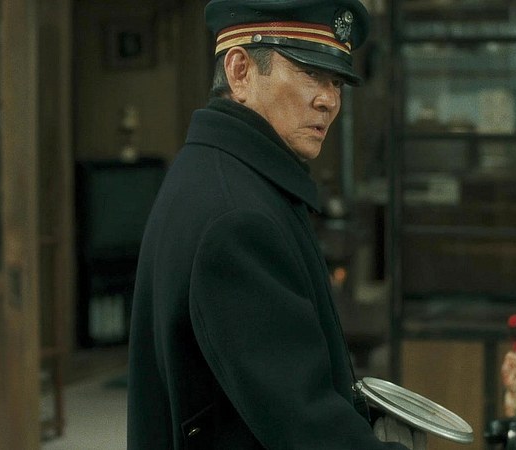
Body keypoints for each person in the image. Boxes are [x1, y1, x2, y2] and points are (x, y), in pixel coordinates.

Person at [127, 0, 425, 448]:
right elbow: (303, 425)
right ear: (240, 71)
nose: (328, 100)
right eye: (309, 73)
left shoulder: (219, 172)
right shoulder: (238, 218)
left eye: (336, 81)